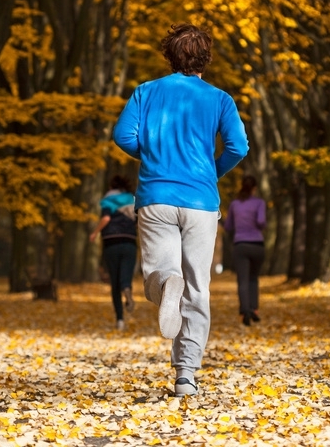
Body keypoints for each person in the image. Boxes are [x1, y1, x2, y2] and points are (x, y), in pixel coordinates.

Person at [112, 23, 249, 396]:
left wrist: (154, 157)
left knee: (159, 273)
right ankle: (186, 375)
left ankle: (165, 285)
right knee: (198, 287)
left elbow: (123, 135)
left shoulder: (146, 91)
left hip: (156, 196)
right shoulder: (220, 98)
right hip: (202, 203)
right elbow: (238, 146)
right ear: (206, 58)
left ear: (169, 56)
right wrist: (211, 172)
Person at [89, 175, 138, 331]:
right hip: (129, 242)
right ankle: (128, 290)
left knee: (114, 283)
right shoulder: (132, 200)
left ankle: (120, 320)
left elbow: (106, 219)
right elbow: (139, 220)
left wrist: (95, 232)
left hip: (111, 242)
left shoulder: (108, 200)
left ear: (112, 186)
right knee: (125, 277)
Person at [224, 176, 266, 326]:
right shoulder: (259, 203)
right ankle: (254, 309)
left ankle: (244, 312)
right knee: (254, 278)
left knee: (243, 280)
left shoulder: (235, 204)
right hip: (257, 245)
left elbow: (228, 226)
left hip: (240, 245)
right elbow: (261, 222)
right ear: (254, 188)